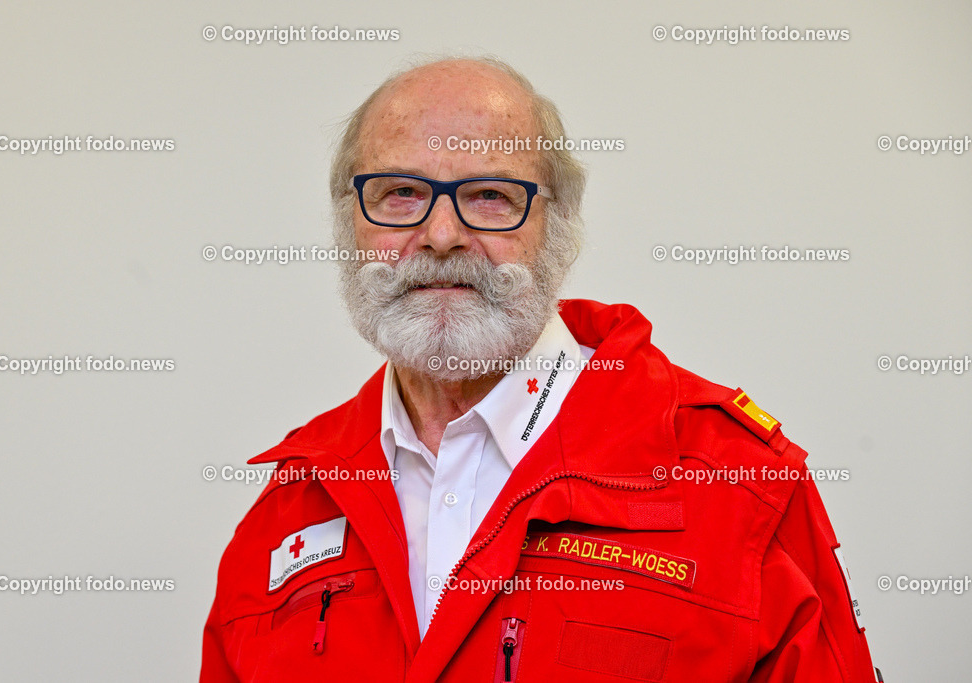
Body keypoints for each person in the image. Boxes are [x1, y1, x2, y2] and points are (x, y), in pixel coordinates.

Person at [201, 55, 882, 682]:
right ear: (350, 224)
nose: (441, 235)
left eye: (491, 196)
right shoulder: (282, 515)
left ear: (559, 225)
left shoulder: (739, 486)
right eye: (401, 193)